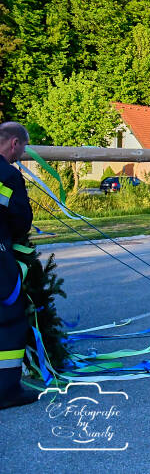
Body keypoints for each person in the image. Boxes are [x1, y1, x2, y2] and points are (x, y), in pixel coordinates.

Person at [0, 122, 36, 410]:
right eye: (23, 149)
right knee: (10, 319)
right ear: (14, 143)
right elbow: (21, 222)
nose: (21, 154)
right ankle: (7, 390)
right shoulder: (8, 175)